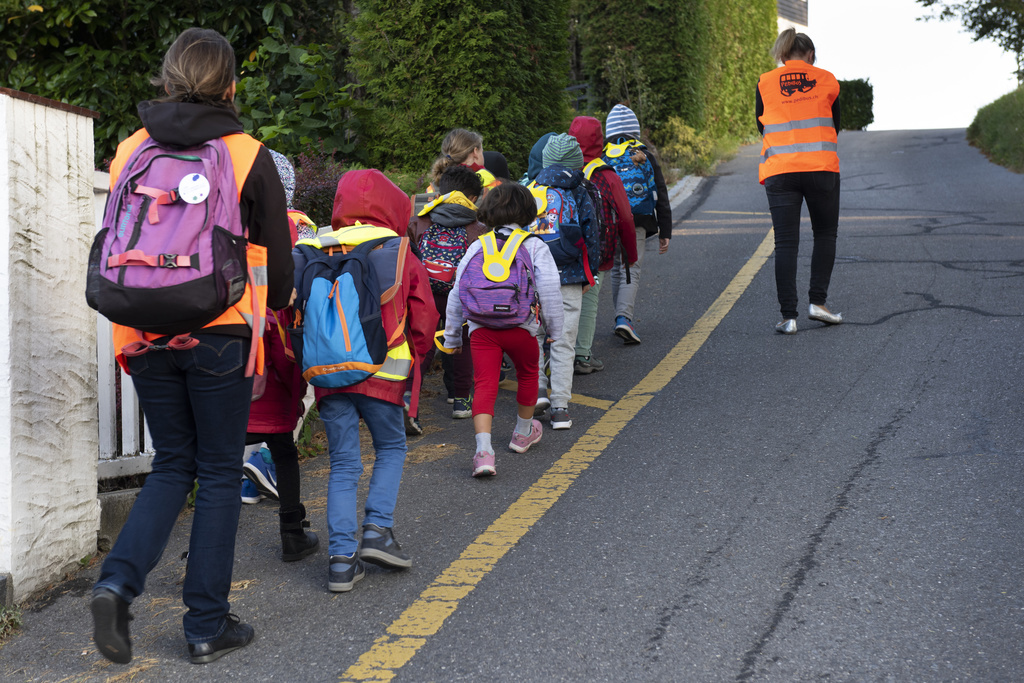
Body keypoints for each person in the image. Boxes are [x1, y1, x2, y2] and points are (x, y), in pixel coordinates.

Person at [91, 27, 294, 665]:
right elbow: (280, 269)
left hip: (143, 327)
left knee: (172, 464)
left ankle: (117, 582)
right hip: (221, 332)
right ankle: (206, 624)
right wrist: (275, 309)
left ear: (168, 77)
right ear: (231, 85)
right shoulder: (246, 154)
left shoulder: (129, 149)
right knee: (214, 470)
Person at [307, 169, 437, 593]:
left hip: (328, 375)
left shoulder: (312, 248)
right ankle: (378, 530)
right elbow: (424, 318)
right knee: (391, 447)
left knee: (343, 463)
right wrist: (419, 356)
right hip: (384, 373)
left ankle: (341, 561)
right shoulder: (398, 251)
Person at [443, 183, 563, 477]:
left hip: (482, 329)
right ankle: (522, 433)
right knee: (528, 374)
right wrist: (555, 331)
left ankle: (483, 452)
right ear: (528, 213)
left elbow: (457, 294)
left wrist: (452, 337)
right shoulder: (534, 245)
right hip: (521, 327)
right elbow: (549, 290)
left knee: (484, 384)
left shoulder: (477, 246)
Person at [243, 149, 318, 562]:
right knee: (283, 444)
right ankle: (292, 531)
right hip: (281, 349)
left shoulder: (229, 221)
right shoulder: (302, 229)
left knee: (219, 451)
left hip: (235, 345)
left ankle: (199, 551)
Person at [756, 28, 843, 334]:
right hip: (821, 168)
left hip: (780, 170)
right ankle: (818, 304)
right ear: (810, 55)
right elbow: (837, 123)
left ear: (782, 55)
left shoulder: (765, 82)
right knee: (825, 234)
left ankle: (788, 317)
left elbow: (760, 124)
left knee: (786, 243)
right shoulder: (828, 79)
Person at [529, 133, 599, 430]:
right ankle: (560, 408)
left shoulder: (528, 189)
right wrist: (590, 273)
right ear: (577, 162)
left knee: (533, 336)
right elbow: (593, 235)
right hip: (569, 277)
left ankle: (534, 394)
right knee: (564, 341)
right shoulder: (581, 190)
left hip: (533, 277)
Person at [407, 165, 488, 422]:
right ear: (473, 198)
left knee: (423, 345)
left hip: (424, 293)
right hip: (460, 294)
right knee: (461, 342)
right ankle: (461, 399)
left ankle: (411, 401)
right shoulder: (478, 228)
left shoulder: (419, 220)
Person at [567, 115, 639, 373]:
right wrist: (630, 254)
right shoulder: (606, 175)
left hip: (562, 248)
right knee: (589, 299)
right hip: (597, 252)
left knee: (563, 299)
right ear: (600, 140)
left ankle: (557, 354)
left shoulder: (560, 170)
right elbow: (626, 218)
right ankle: (582, 355)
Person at [603, 104, 672, 345]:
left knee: (616, 268)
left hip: (610, 220)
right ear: (636, 130)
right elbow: (660, 193)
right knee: (632, 267)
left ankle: (620, 317)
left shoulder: (603, 157)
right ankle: (624, 317)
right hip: (638, 220)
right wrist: (665, 230)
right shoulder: (644, 154)